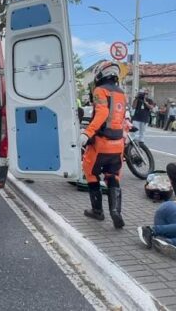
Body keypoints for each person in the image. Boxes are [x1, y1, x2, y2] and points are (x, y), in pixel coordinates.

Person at [79, 61, 127, 229]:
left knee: (90, 172)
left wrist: (87, 133)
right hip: (118, 144)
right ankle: (115, 211)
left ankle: (97, 211)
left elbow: (102, 113)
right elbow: (120, 118)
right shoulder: (122, 93)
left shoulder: (100, 91)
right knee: (113, 176)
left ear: (101, 74)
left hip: (101, 143)